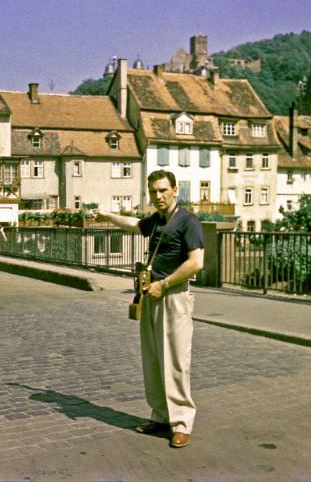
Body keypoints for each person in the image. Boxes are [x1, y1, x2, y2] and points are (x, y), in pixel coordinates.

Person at [94, 169, 204, 449]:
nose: (159, 196)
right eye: (154, 191)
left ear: (175, 189)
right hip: (150, 295)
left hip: (174, 296)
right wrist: (108, 216)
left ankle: (181, 423)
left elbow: (196, 263)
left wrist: (164, 285)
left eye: (164, 190)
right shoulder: (156, 220)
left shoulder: (188, 221)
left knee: (177, 361)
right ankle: (160, 416)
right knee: (153, 359)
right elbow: (133, 224)